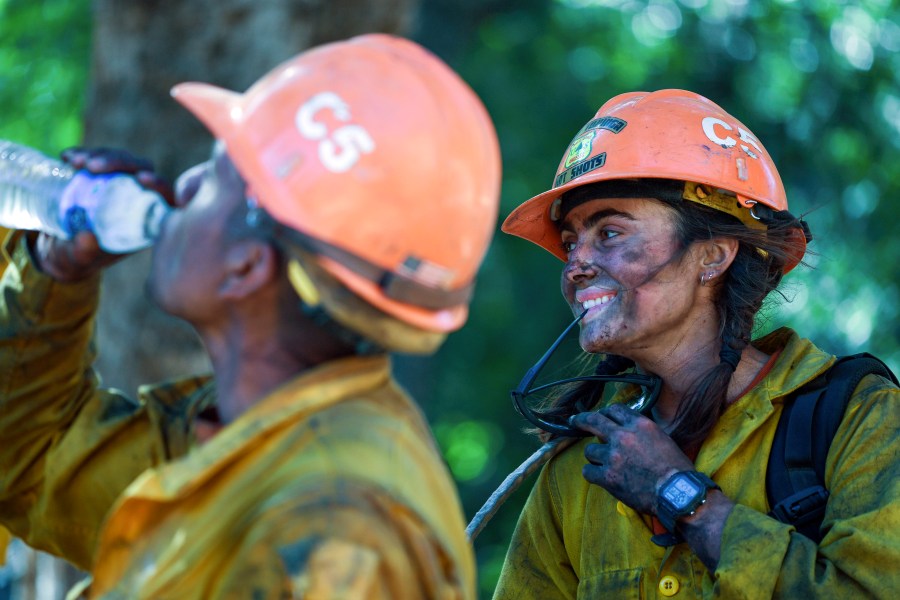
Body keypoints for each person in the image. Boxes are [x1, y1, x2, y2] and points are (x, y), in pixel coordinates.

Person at [0, 34, 500, 598]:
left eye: (214, 175)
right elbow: (33, 463)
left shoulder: (338, 536)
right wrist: (55, 272)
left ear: (247, 266)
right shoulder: (246, 435)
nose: (181, 185)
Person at [492, 90, 899, 597]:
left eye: (611, 233)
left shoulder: (858, 417)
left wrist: (678, 493)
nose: (576, 265)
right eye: (572, 241)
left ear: (713, 255)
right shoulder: (582, 467)